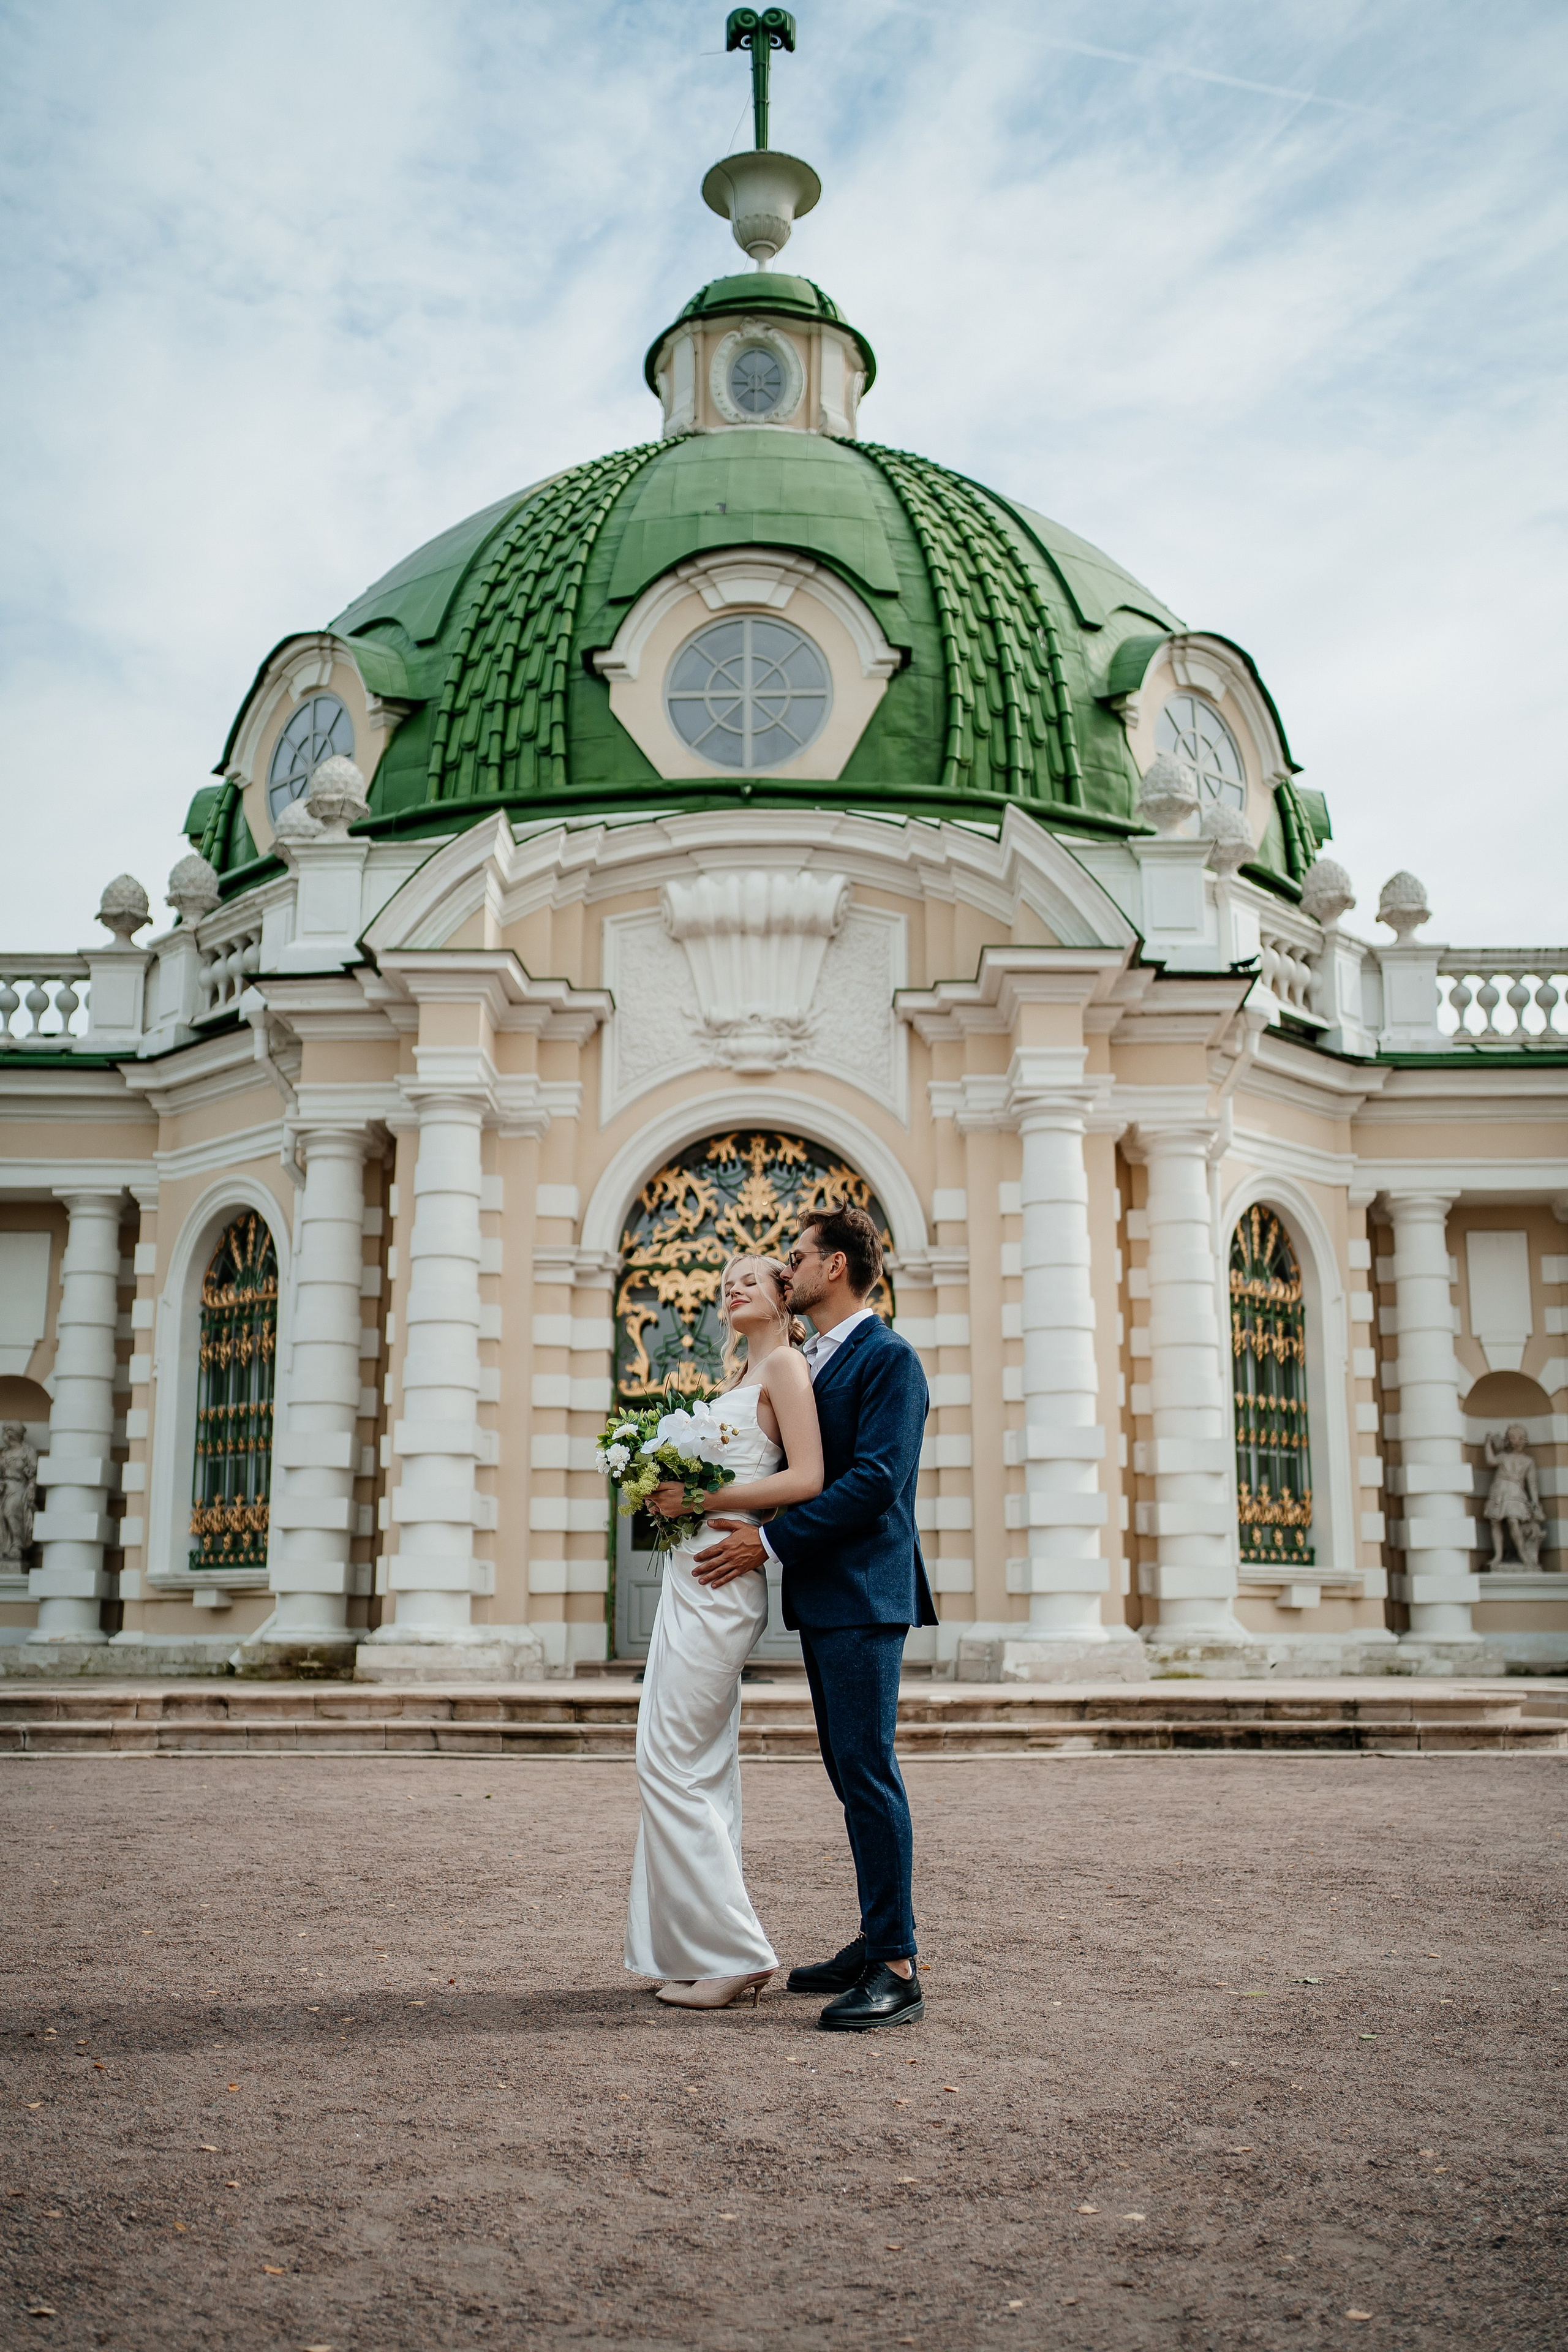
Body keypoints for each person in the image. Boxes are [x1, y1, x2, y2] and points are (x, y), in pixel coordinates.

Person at [695, 1202, 936, 2034]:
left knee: (867, 1770)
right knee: (848, 1771)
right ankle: (875, 1937)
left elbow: (874, 1481)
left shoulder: (890, 1358)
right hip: (830, 1594)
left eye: (796, 1256)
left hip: (866, 1593)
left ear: (836, 1266)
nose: (785, 1268)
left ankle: (896, 1968)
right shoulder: (813, 1359)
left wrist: (768, 1542)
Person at [624, 1254, 824, 2010]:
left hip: (722, 1579)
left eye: (750, 1279)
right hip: (687, 1576)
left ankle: (736, 1953)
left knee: (668, 1762)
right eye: (725, 1283)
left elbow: (807, 1478)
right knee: (695, 1766)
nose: (733, 1288)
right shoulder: (733, 1378)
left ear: (783, 1295)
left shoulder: (785, 1367)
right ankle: (700, 1951)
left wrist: (702, 1499)